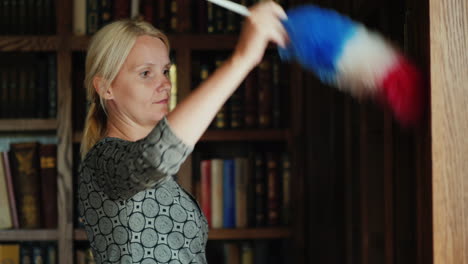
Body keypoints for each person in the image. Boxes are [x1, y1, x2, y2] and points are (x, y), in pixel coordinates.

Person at [77, 1, 288, 263]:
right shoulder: (103, 160)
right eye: (146, 73)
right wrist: (243, 59)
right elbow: (155, 155)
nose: (165, 84)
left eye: (165, 71)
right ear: (106, 88)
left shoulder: (159, 177)